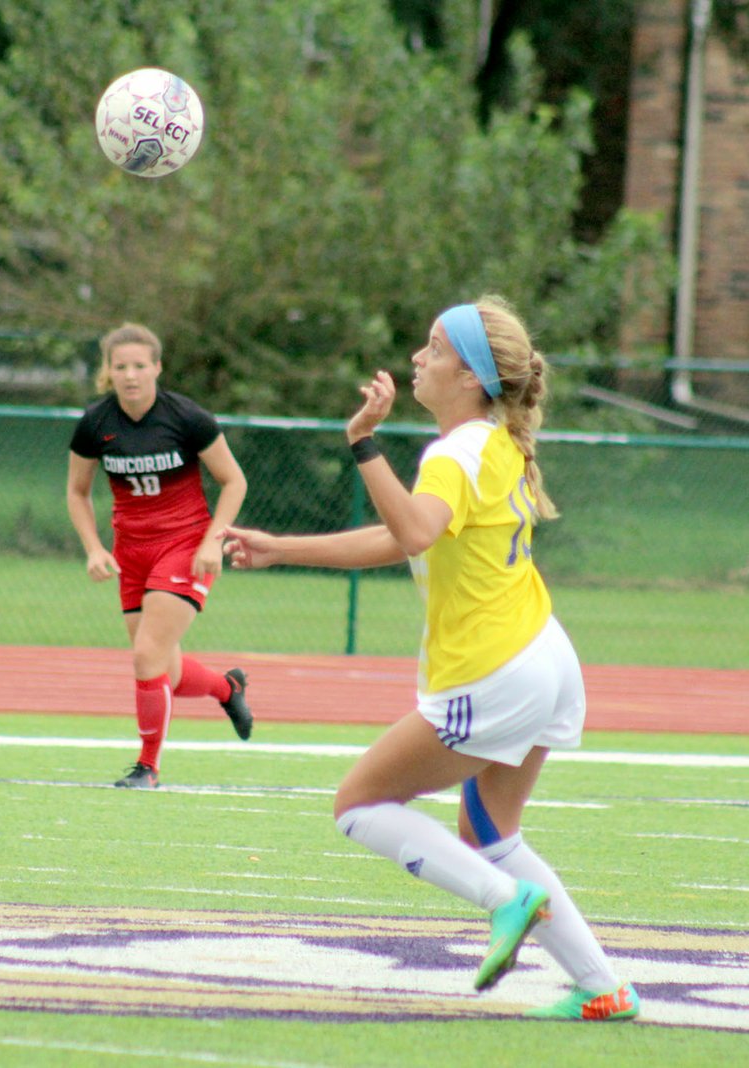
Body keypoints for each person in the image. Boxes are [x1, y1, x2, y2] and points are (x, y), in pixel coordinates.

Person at [222, 295, 639, 1020]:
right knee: (490, 833)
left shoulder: (454, 451)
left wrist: (362, 442)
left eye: (436, 347)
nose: (420, 356)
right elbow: (402, 538)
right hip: (546, 657)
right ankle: (604, 988)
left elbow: (411, 532)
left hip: (494, 671)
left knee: (358, 805)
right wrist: (283, 547)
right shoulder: (491, 443)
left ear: (472, 376)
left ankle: (503, 902)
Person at [67, 322, 253, 790]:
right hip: (131, 551)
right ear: (108, 371)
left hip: (184, 546)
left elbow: (235, 481)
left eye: (139, 366)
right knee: (161, 668)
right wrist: (93, 548)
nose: (130, 375)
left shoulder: (186, 417)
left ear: (157, 368)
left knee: (146, 655)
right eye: (120, 366)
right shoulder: (96, 423)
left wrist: (214, 540)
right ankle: (226, 688)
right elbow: (76, 491)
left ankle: (147, 768)